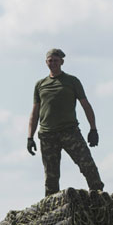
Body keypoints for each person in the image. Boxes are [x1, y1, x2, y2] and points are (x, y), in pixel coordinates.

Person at [27, 48, 104, 196]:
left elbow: (85, 105)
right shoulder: (40, 85)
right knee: (51, 177)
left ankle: (98, 197)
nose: (53, 63)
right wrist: (30, 137)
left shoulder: (72, 81)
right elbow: (35, 112)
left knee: (87, 165)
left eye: (56, 60)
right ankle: (52, 210)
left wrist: (93, 129)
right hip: (47, 135)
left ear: (62, 62)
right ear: (46, 62)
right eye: (50, 60)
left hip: (69, 131)